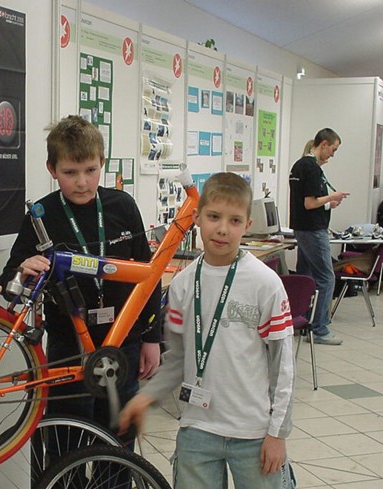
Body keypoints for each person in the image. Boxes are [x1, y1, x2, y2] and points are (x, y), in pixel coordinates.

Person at [119, 172, 295, 489]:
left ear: (247, 224)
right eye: (214, 217)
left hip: (254, 433)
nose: (223, 229)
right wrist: (145, 397)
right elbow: (177, 360)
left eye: (234, 220)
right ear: (197, 218)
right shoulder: (183, 285)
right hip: (197, 431)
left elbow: (282, 366)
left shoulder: (265, 284)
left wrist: (277, 433)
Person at [0, 115, 161, 445]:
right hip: (68, 344)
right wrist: (22, 271)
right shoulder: (41, 216)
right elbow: (8, 281)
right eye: (70, 173)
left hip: (123, 343)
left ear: (102, 163)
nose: (82, 182)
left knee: (117, 439)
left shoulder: (123, 206)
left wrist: (151, 337)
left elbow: (150, 276)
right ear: (52, 169)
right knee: (65, 438)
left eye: (90, 170)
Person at [289, 128, 349, 345]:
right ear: (324, 144)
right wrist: (331, 196)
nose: (333, 154)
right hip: (312, 230)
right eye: (333, 149)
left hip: (303, 227)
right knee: (326, 277)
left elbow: (310, 203)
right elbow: (309, 203)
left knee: (305, 275)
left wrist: (328, 204)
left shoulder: (300, 165)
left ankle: (304, 320)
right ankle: (320, 329)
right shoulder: (311, 168)